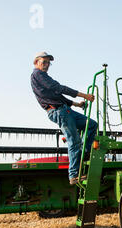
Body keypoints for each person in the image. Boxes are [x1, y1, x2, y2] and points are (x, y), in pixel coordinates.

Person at [30, 52, 98, 185]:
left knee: (91, 124)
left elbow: (60, 97)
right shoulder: (37, 75)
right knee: (74, 141)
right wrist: (84, 95)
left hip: (66, 110)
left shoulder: (44, 78)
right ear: (36, 63)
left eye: (48, 63)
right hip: (58, 112)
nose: (46, 65)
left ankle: (85, 153)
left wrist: (78, 104)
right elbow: (58, 88)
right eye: (44, 62)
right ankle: (73, 175)